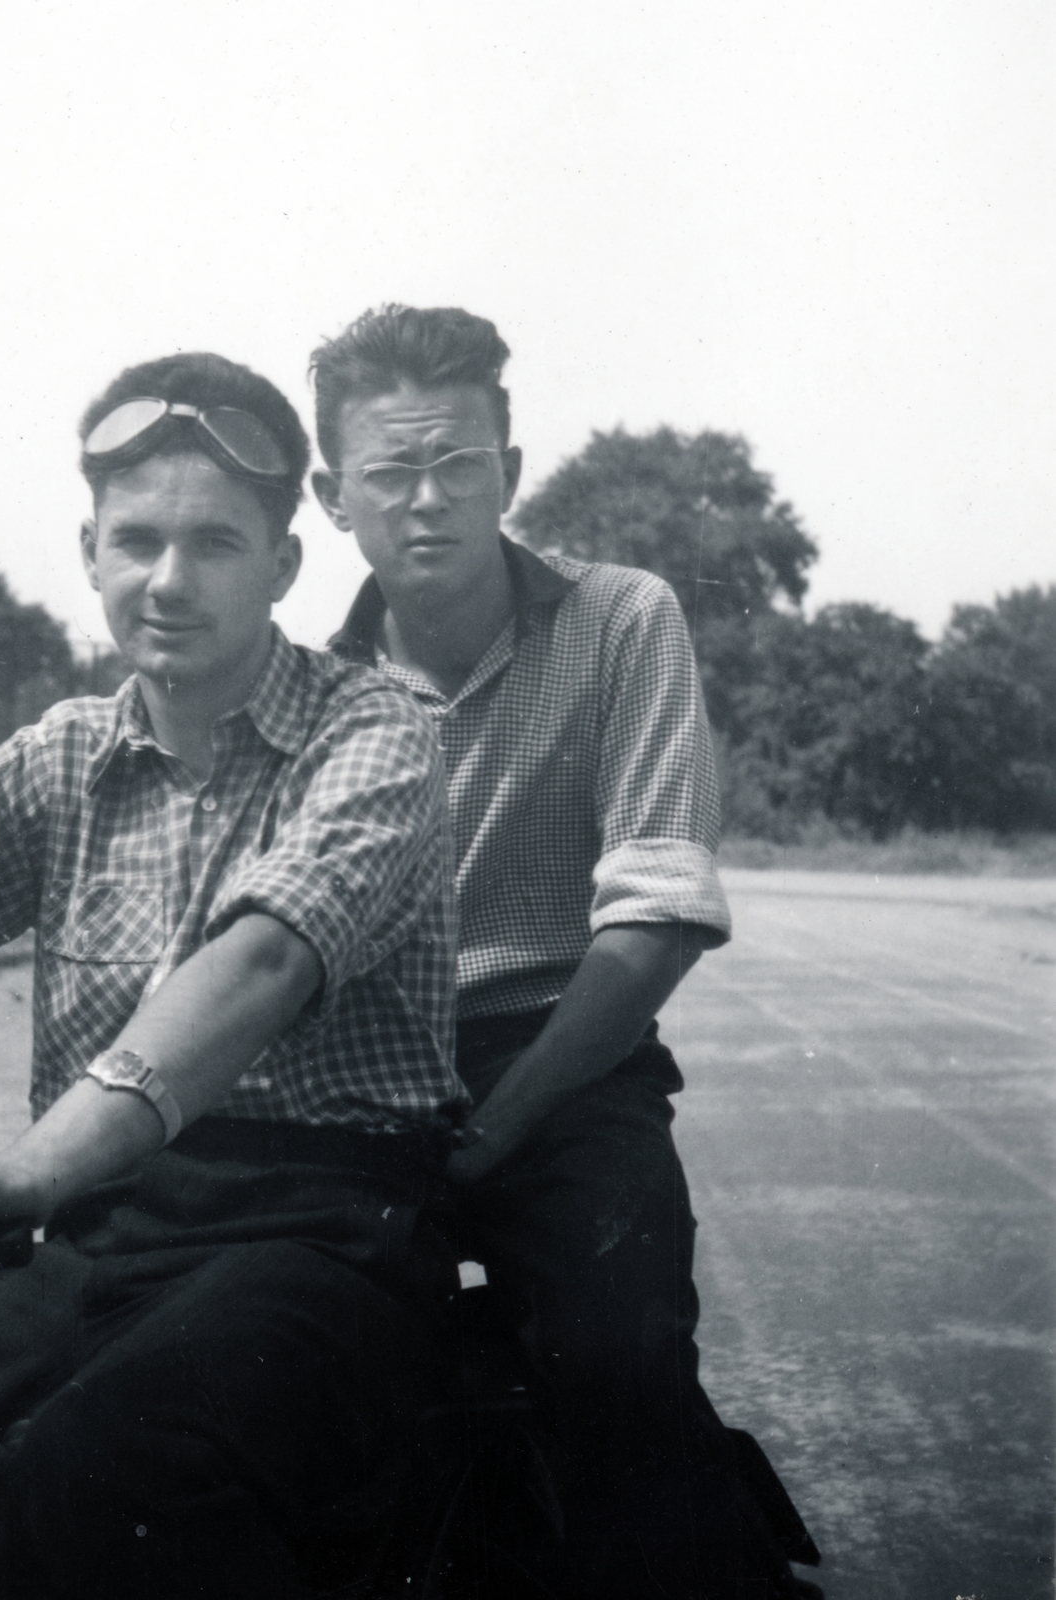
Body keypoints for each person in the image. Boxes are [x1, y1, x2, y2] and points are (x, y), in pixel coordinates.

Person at [0, 352, 471, 1599]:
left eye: (215, 543)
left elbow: (256, 962)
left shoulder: (377, 734)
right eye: (136, 540)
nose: (169, 581)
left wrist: (28, 1171)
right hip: (101, 1238)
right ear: (89, 550)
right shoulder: (63, 759)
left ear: (284, 565)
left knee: (109, 1468)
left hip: (326, 1241)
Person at [312, 305, 820, 1598]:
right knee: (268, 1369)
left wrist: (505, 1116)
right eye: (387, 474)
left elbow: (653, 909)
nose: (425, 504)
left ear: (510, 474)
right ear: (329, 496)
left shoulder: (618, 622)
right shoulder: (309, 693)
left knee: (616, 1357)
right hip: (364, 1082)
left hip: (566, 1059)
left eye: (457, 466)